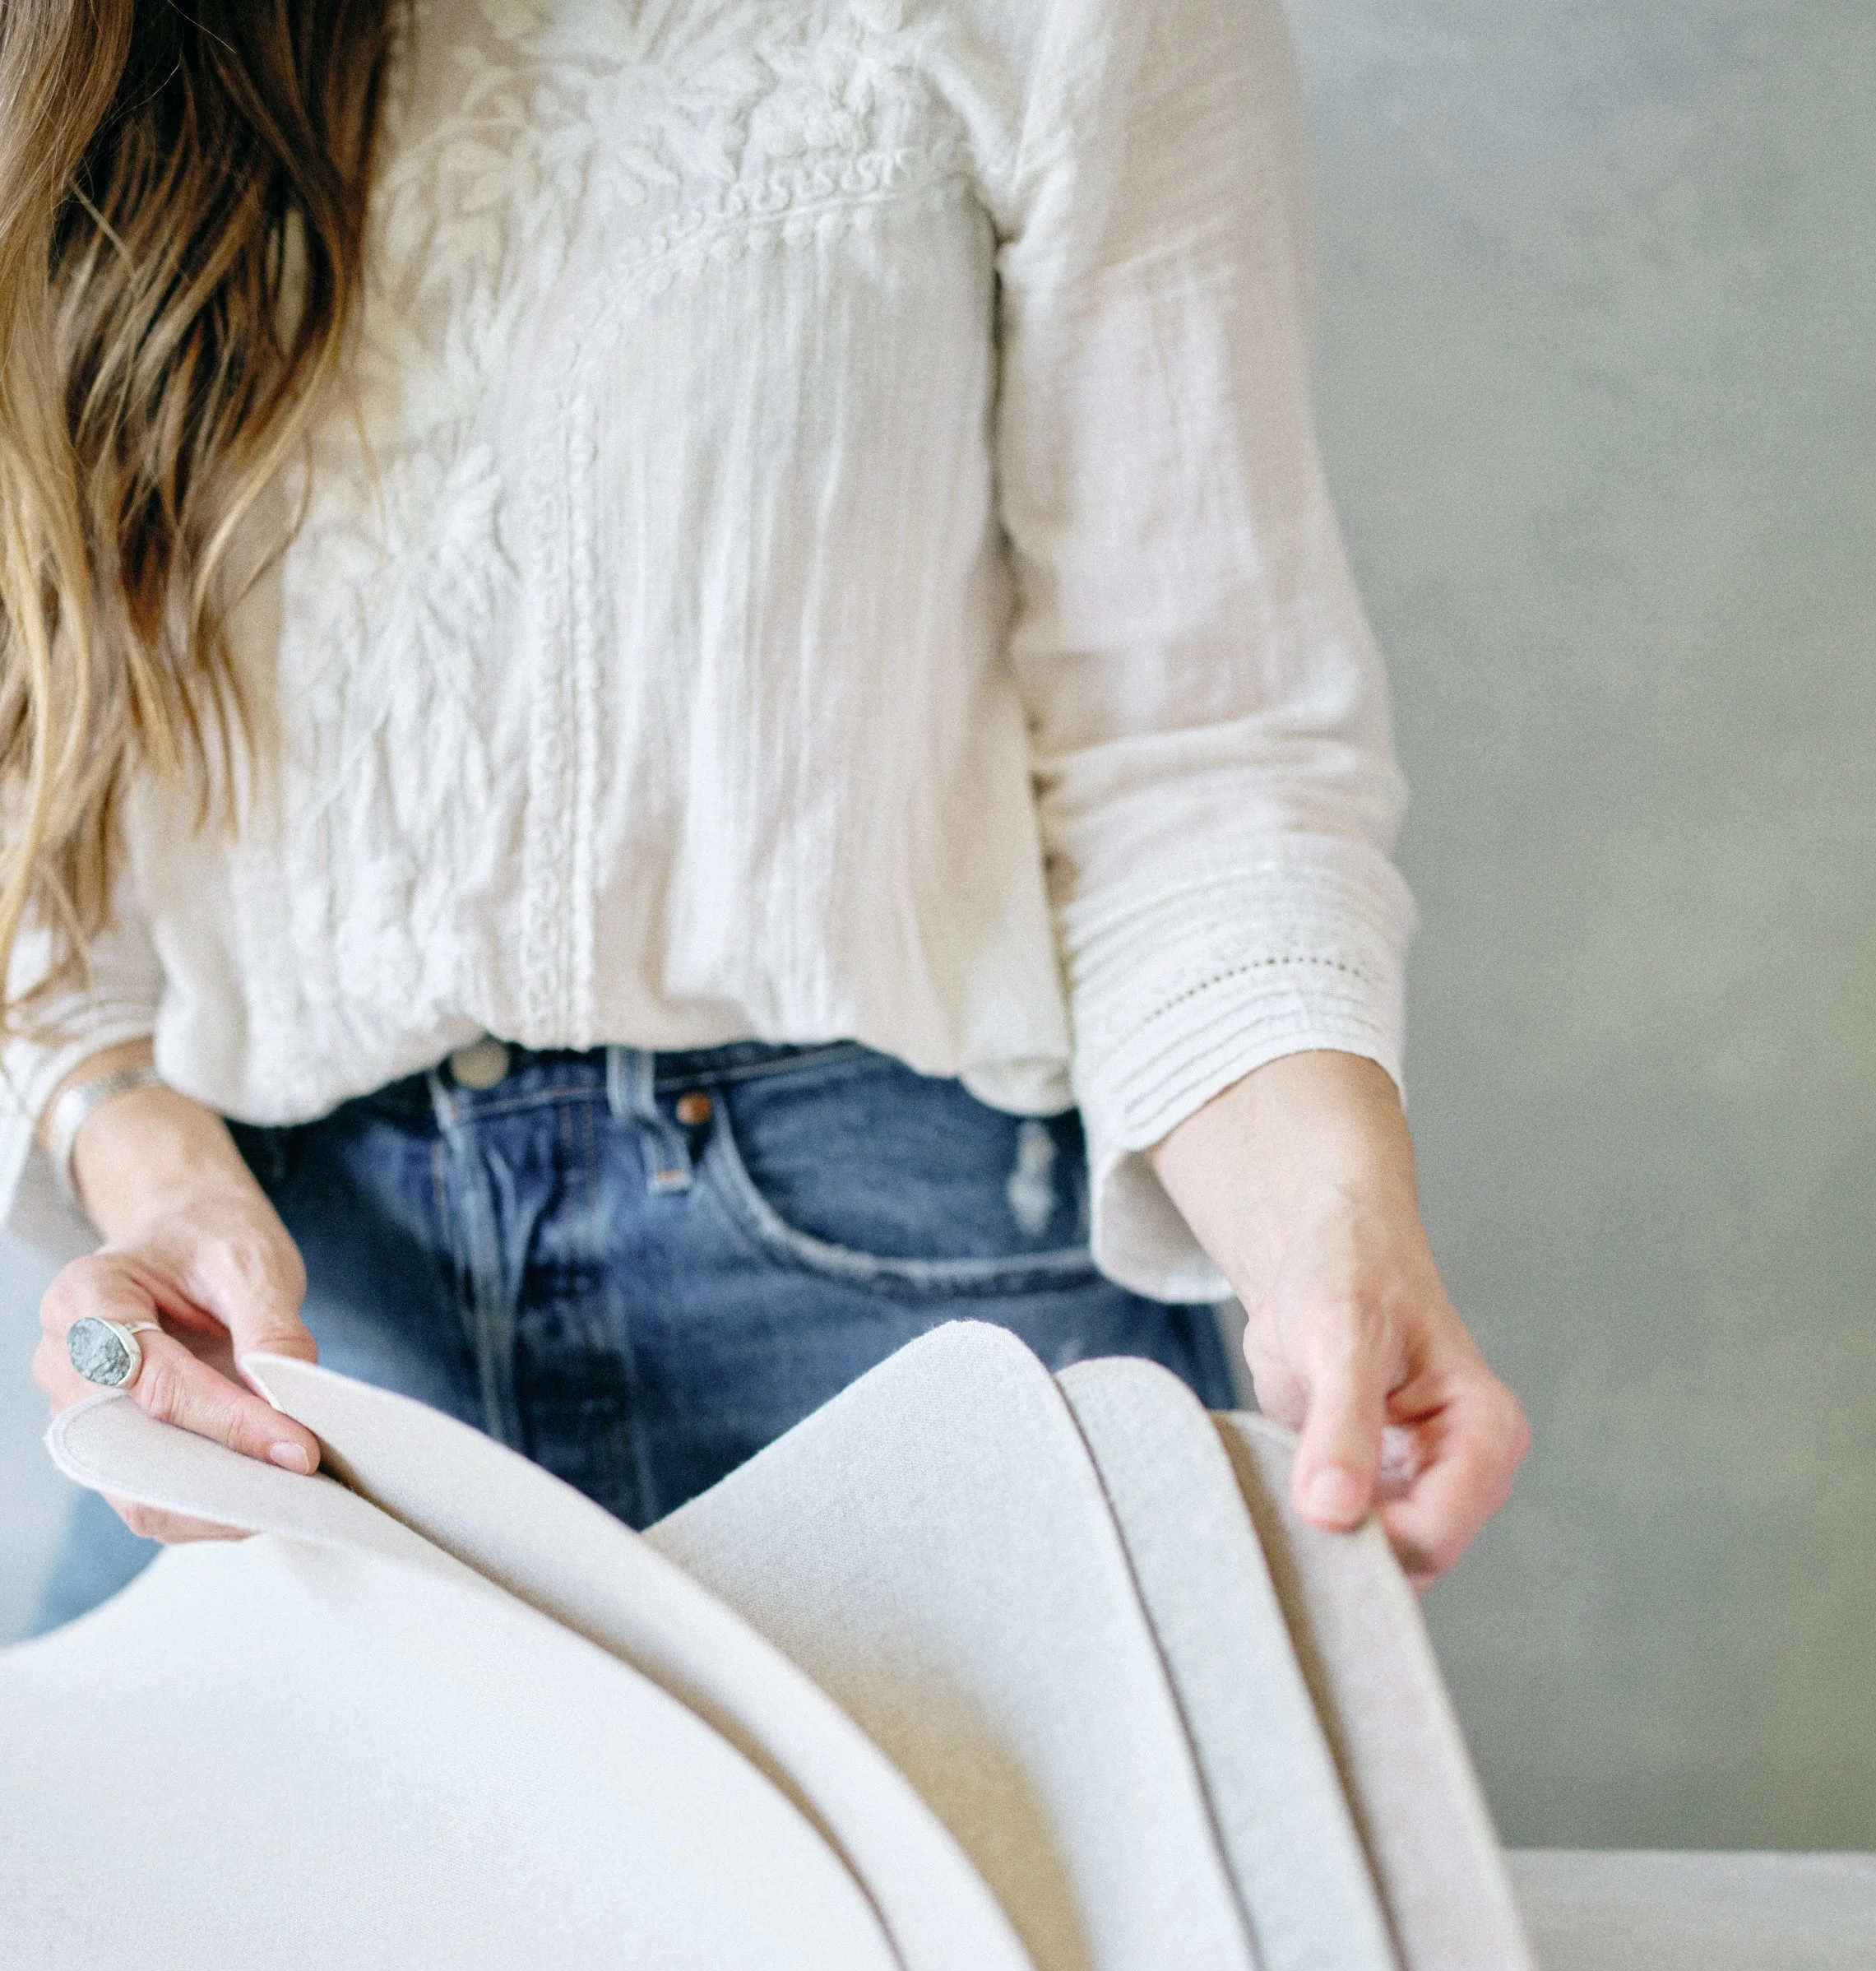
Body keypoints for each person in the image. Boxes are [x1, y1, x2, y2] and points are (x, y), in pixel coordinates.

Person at [4, 0, 1525, 1634]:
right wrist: (134, 1153)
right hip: (305, 1334)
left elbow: (1192, 728)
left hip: (897, 1313)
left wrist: (1323, 1224)